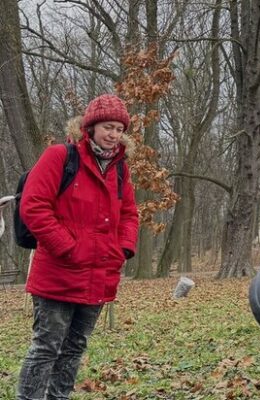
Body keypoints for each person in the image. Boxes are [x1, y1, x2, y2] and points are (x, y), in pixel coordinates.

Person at [17, 94, 139, 399]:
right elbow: (33, 207)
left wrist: (121, 250)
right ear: (90, 127)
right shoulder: (60, 156)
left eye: (118, 129)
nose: (113, 134)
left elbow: (129, 215)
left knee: (74, 348)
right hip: (57, 274)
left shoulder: (120, 170)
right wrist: (68, 248)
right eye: (107, 126)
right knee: (46, 348)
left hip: (99, 275)